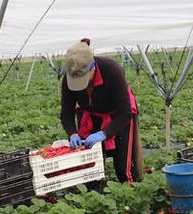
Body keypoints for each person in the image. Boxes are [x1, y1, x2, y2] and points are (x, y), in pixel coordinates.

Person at [60, 39, 142, 183]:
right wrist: (72, 133)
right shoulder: (68, 79)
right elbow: (66, 113)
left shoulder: (112, 70)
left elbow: (124, 113)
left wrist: (104, 133)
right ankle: (95, 195)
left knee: (123, 168)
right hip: (90, 116)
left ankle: (131, 194)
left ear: (92, 67)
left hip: (118, 115)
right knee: (91, 167)